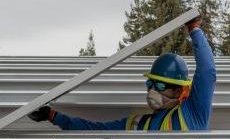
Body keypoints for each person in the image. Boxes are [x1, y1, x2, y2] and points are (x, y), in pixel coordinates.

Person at [28, 17, 215, 131]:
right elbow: (94, 130)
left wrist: (194, 29)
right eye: (150, 84)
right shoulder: (139, 124)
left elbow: (207, 71)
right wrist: (53, 116)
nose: (152, 91)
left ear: (178, 91)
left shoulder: (194, 113)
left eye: (159, 86)